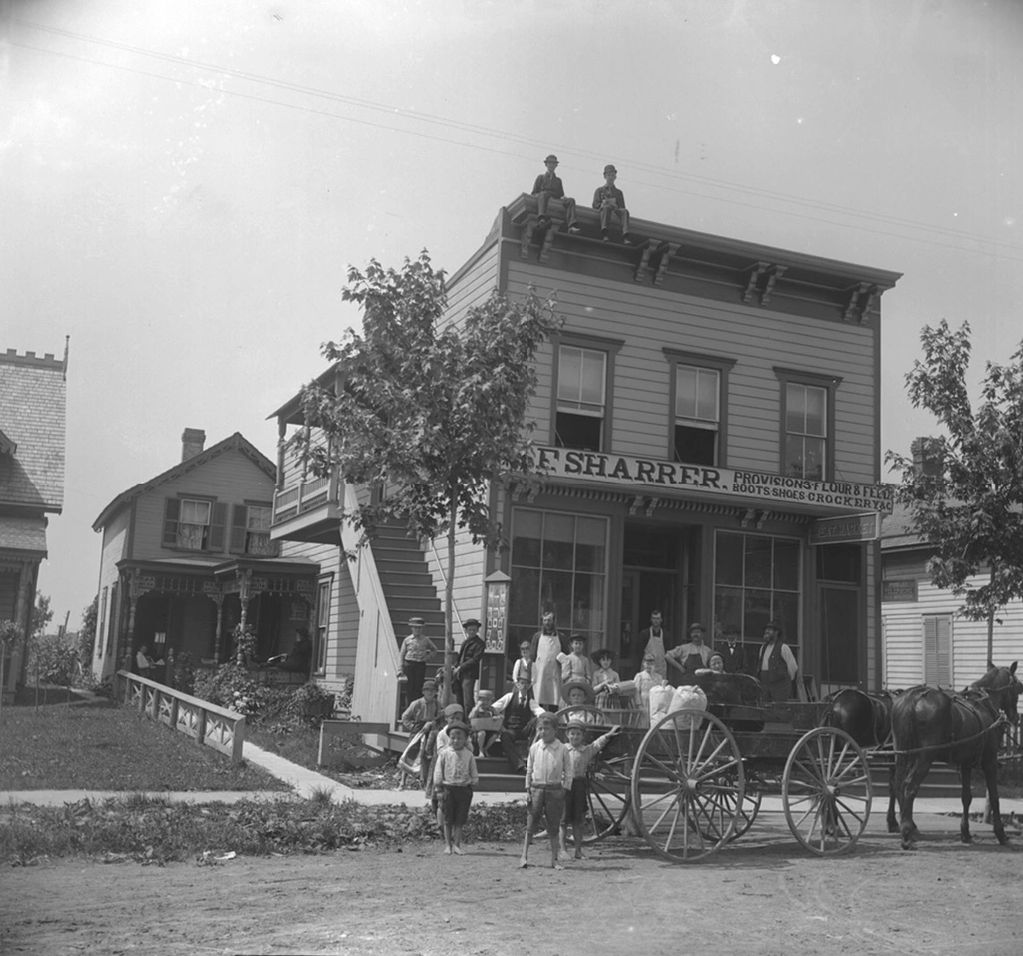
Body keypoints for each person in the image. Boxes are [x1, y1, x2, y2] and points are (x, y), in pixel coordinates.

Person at [562, 720, 620, 859]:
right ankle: (562, 850)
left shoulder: (587, 750)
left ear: (583, 736)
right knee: (563, 820)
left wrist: (610, 734)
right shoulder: (562, 749)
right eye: (572, 734)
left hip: (580, 785)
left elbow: (598, 744)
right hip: (565, 786)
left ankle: (578, 851)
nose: (575, 737)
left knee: (578, 819)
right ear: (567, 734)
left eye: (578, 734)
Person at [519, 713, 571, 870]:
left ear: (555, 730)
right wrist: (528, 788)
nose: (543, 732)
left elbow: (568, 771)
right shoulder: (535, 748)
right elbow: (529, 769)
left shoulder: (562, 749)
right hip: (536, 789)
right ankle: (524, 856)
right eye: (540, 729)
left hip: (555, 790)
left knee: (554, 825)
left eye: (547, 729)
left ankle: (554, 859)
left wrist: (565, 788)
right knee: (531, 823)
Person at [433, 720, 478, 855]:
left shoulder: (468, 754)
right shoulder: (444, 754)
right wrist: (438, 788)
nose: (456, 741)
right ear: (449, 739)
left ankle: (457, 845)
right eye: (453, 738)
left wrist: (474, 781)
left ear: (465, 740)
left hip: (464, 789)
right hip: (448, 789)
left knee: (460, 818)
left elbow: (473, 769)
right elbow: (438, 771)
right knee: (448, 818)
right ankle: (448, 845)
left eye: (459, 738)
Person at [492, 674, 546, 772]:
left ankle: (531, 751)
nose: (524, 686)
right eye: (522, 683)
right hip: (511, 730)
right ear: (517, 685)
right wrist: (499, 719)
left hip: (524, 730)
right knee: (505, 736)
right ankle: (519, 764)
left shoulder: (531, 701)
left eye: (526, 684)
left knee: (538, 720)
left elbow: (539, 711)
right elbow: (494, 708)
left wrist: (547, 715)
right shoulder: (510, 696)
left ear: (529, 686)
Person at [609, 654, 667, 726]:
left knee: (654, 722)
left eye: (651, 664)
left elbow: (661, 691)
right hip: (643, 703)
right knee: (643, 723)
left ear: (654, 665)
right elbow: (636, 691)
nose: (649, 666)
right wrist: (639, 705)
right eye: (647, 664)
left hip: (655, 703)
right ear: (643, 664)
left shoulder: (658, 677)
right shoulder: (640, 676)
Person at [531, 154, 580, 232]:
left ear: (556, 166)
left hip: (556, 198)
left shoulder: (558, 180)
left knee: (571, 200)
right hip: (545, 197)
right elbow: (534, 193)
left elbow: (561, 194)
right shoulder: (541, 177)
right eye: (550, 163)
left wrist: (564, 198)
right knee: (543, 194)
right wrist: (541, 195)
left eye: (553, 164)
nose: (551, 165)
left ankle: (571, 225)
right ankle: (542, 218)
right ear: (546, 164)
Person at [529, 610, 567, 712]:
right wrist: (532, 676)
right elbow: (532, 657)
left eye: (549, 620)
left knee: (554, 701)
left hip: (555, 674)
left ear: (554, 621)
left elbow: (566, 657)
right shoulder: (537, 636)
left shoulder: (562, 637)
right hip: (540, 674)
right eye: (545, 620)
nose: (547, 623)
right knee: (538, 700)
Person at [398, 617, 438, 705]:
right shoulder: (407, 640)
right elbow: (402, 654)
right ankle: (409, 708)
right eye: (415, 627)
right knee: (409, 688)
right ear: (412, 628)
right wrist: (400, 669)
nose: (417, 630)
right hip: (409, 664)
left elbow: (434, 650)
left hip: (420, 665)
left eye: (419, 628)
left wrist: (427, 657)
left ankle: (417, 707)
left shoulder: (425, 639)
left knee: (418, 687)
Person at [758, 620, 798, 702]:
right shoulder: (762, 648)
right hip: (765, 686)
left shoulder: (784, 648)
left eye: (770, 630)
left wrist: (784, 684)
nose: (766, 631)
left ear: (776, 632)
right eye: (766, 629)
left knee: (779, 711)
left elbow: (793, 667)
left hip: (780, 688)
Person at [592, 164, 631, 243]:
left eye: (612, 175)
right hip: (605, 210)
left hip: (615, 211)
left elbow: (622, 207)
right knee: (606, 208)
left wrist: (615, 206)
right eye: (609, 175)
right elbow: (595, 204)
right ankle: (605, 232)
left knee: (625, 211)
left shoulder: (618, 192)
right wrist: (602, 204)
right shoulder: (599, 190)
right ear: (605, 176)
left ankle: (625, 234)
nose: (611, 177)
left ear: (615, 177)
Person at [453, 618, 486, 710]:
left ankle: (469, 721)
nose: (472, 632)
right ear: (466, 630)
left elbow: (475, 659)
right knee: (459, 698)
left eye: (474, 630)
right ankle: (460, 720)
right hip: (459, 673)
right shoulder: (465, 642)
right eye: (470, 630)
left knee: (468, 700)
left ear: (477, 630)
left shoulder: (480, 643)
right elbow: (460, 656)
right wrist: (455, 666)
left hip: (469, 674)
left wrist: (460, 667)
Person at [636, 610, 669, 678]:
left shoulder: (666, 634)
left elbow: (668, 652)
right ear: (651, 620)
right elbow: (639, 651)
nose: (656, 621)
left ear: (661, 620)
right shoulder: (644, 634)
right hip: (648, 667)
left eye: (658, 618)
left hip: (660, 668)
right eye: (654, 618)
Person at [468, 688, 499, 757]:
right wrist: (477, 706)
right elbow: (470, 717)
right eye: (483, 700)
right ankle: (480, 750)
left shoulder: (491, 710)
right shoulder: (477, 709)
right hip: (477, 732)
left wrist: (496, 718)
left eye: (488, 700)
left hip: (489, 730)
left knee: (495, 735)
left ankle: (485, 749)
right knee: (482, 733)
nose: (485, 702)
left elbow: (498, 717)